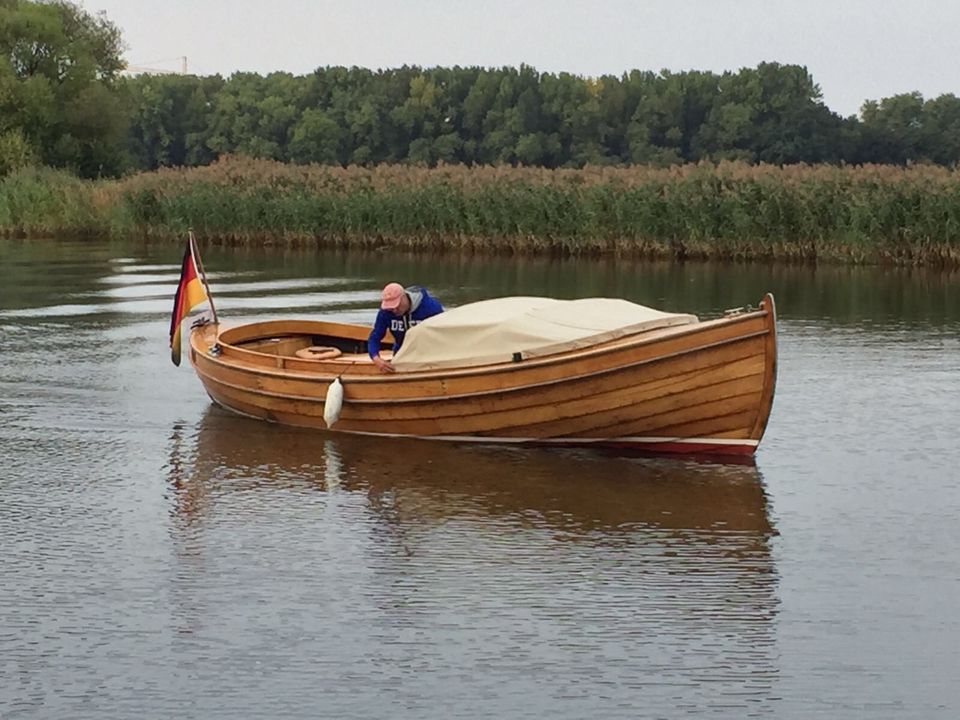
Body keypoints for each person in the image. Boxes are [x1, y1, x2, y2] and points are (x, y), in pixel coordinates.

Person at [368, 282, 444, 373]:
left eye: (396, 305)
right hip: (401, 355)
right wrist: (376, 358)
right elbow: (375, 336)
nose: (395, 310)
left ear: (404, 297)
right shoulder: (386, 312)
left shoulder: (431, 307)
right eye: (391, 308)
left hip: (429, 356)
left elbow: (443, 333)